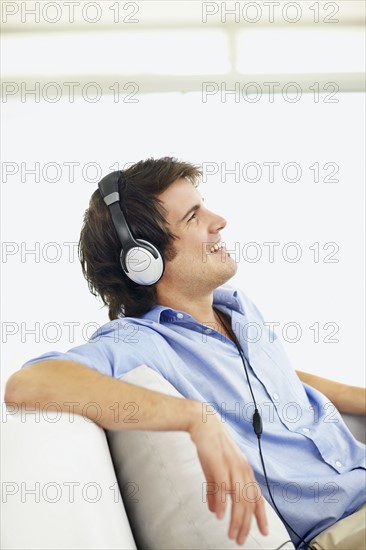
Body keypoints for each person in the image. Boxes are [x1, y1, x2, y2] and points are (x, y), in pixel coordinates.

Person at [5, 157, 366, 549]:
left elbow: (281, 379)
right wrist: (196, 418)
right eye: (194, 217)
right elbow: (30, 382)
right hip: (340, 528)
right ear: (143, 259)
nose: (220, 220)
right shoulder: (138, 342)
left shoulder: (236, 310)